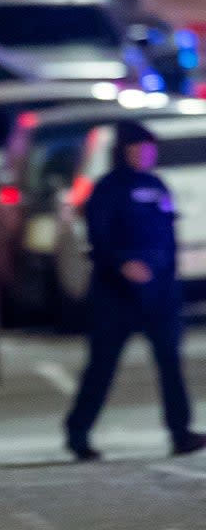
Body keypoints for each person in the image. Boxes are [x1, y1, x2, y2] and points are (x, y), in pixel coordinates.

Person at [63, 120, 206, 462]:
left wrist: (170, 277)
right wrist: (121, 265)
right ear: (125, 151)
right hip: (116, 296)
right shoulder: (107, 190)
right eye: (141, 149)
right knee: (102, 366)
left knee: (171, 363)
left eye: (150, 149)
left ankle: (180, 431)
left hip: (160, 293)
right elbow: (98, 238)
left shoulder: (157, 186)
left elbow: (168, 234)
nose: (148, 155)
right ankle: (78, 434)